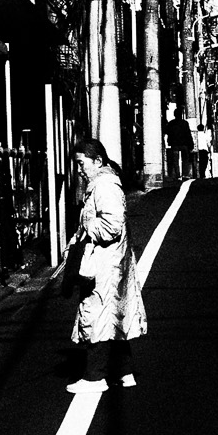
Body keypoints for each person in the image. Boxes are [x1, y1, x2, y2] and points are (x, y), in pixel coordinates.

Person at [64, 136, 147, 392]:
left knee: (97, 316)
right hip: (114, 262)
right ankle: (124, 371)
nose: (79, 170)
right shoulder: (105, 184)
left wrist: (86, 228)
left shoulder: (104, 186)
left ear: (97, 161)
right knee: (115, 315)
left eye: (81, 163)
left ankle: (94, 377)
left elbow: (111, 225)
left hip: (104, 263)